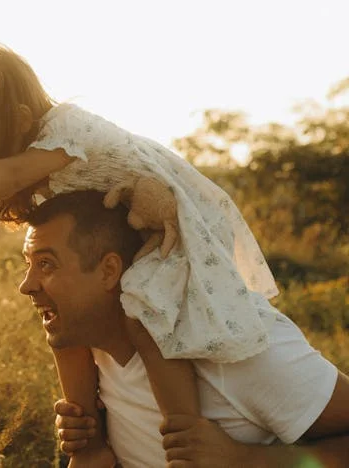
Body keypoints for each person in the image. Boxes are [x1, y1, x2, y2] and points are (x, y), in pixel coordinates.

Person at [0, 43, 278, 465]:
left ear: (16, 119)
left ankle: (184, 436)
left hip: (160, 226)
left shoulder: (65, 127)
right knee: (60, 312)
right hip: (108, 231)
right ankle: (91, 444)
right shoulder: (20, 156)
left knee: (144, 307)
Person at [22, 191, 349, 467]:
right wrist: (91, 434)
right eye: (28, 264)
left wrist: (242, 459)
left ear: (109, 271)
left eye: (46, 264)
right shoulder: (89, 347)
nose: (26, 285)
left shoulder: (236, 347)